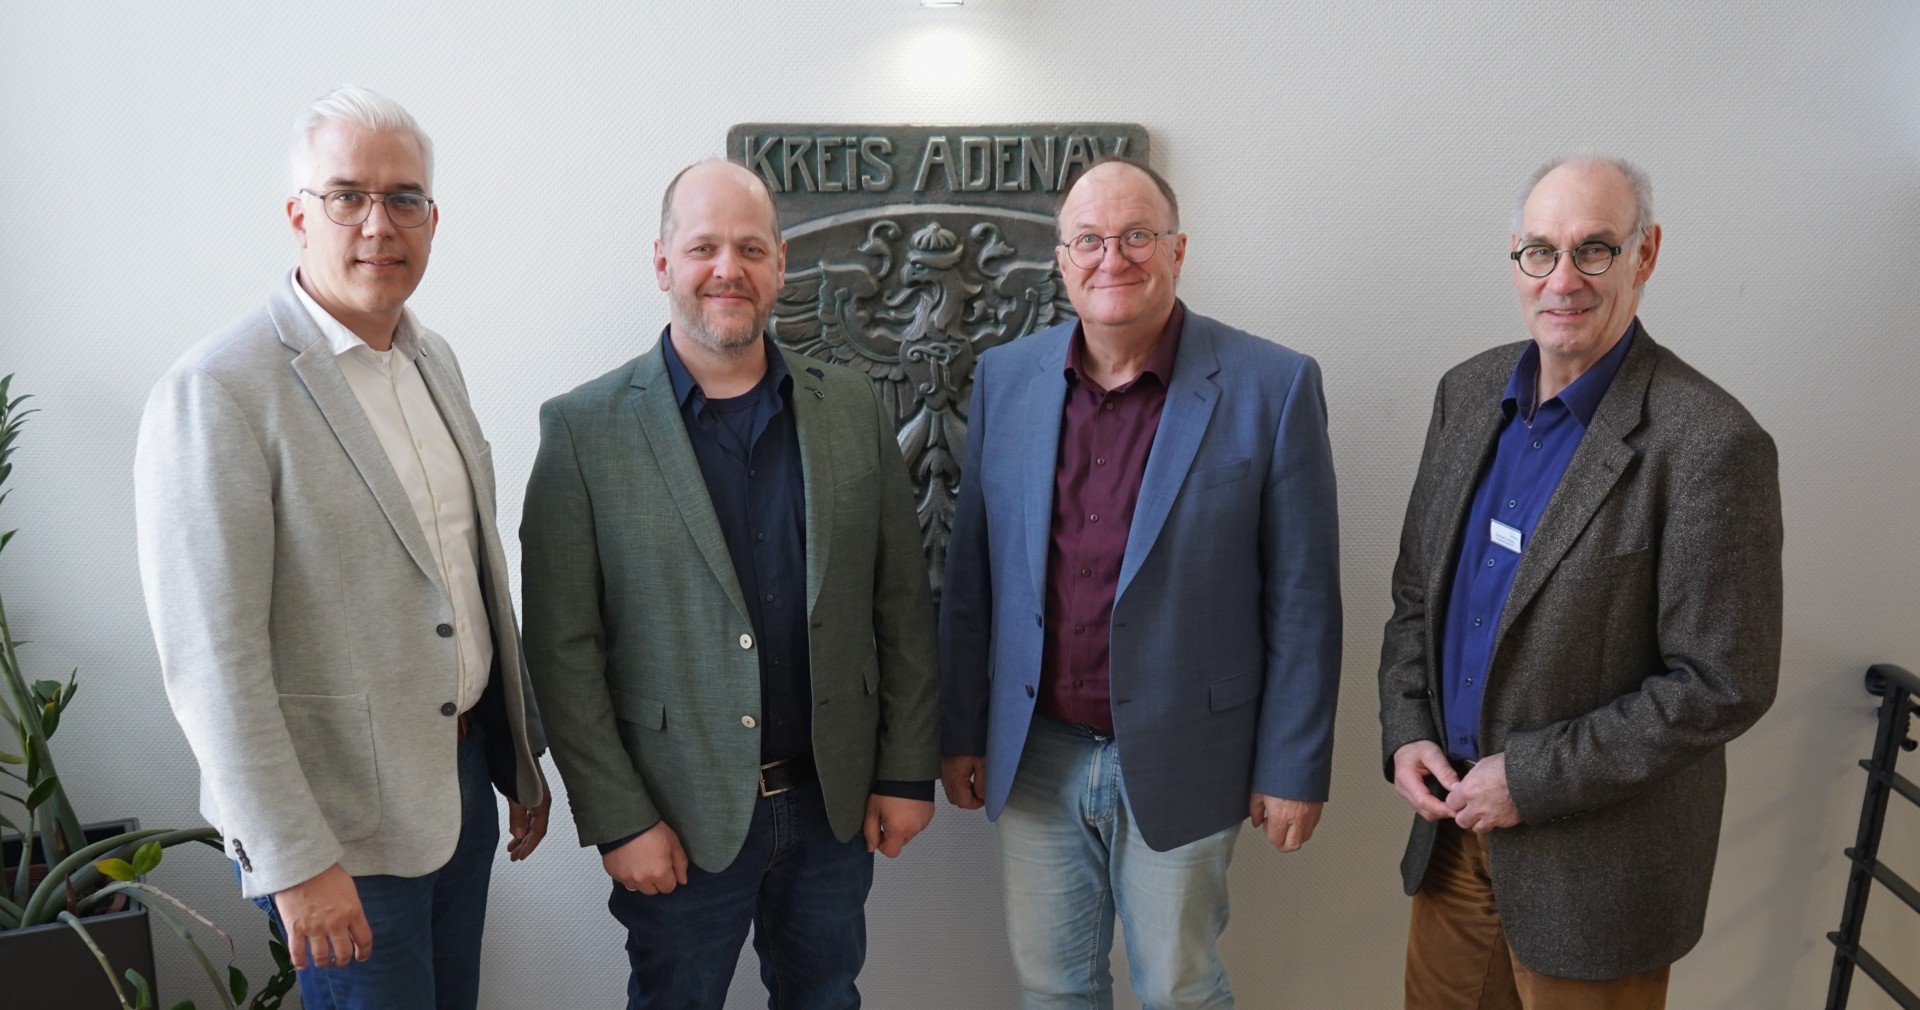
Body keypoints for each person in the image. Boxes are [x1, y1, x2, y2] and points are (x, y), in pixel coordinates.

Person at [133, 86, 550, 1010]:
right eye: (346, 195)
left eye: (404, 198)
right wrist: (293, 860)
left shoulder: (433, 359)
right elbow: (213, 662)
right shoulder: (219, 390)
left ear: (432, 220)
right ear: (297, 216)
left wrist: (515, 760)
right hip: (340, 840)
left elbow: (467, 578)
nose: (378, 223)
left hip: (459, 791)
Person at [520, 159, 940, 1009]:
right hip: (675, 815)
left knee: (826, 996)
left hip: (832, 805)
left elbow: (901, 602)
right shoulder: (583, 430)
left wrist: (905, 771)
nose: (728, 268)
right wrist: (618, 818)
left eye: (751, 248)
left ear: (781, 265)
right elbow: (562, 652)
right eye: (703, 246)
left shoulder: (854, 406)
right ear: (662, 262)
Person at [1377, 156, 1783, 1009]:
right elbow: (1418, 595)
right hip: (1452, 839)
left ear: (1647, 254)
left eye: (1594, 250)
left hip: (1595, 877)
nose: (1563, 279)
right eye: (1540, 251)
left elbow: (1720, 684)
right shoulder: (1467, 392)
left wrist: (1527, 780)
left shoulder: (1709, 444)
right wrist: (1408, 726)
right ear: (1515, 258)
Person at [939, 157, 1343, 1009]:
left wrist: (1294, 764)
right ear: (1061, 258)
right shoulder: (1006, 379)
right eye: (1089, 239)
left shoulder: (1272, 386)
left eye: (1135, 237)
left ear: (1177, 249)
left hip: (1189, 750)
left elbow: (1303, 600)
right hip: (1037, 751)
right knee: (1052, 986)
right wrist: (962, 729)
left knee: (1179, 986)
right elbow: (973, 577)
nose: (1111, 259)